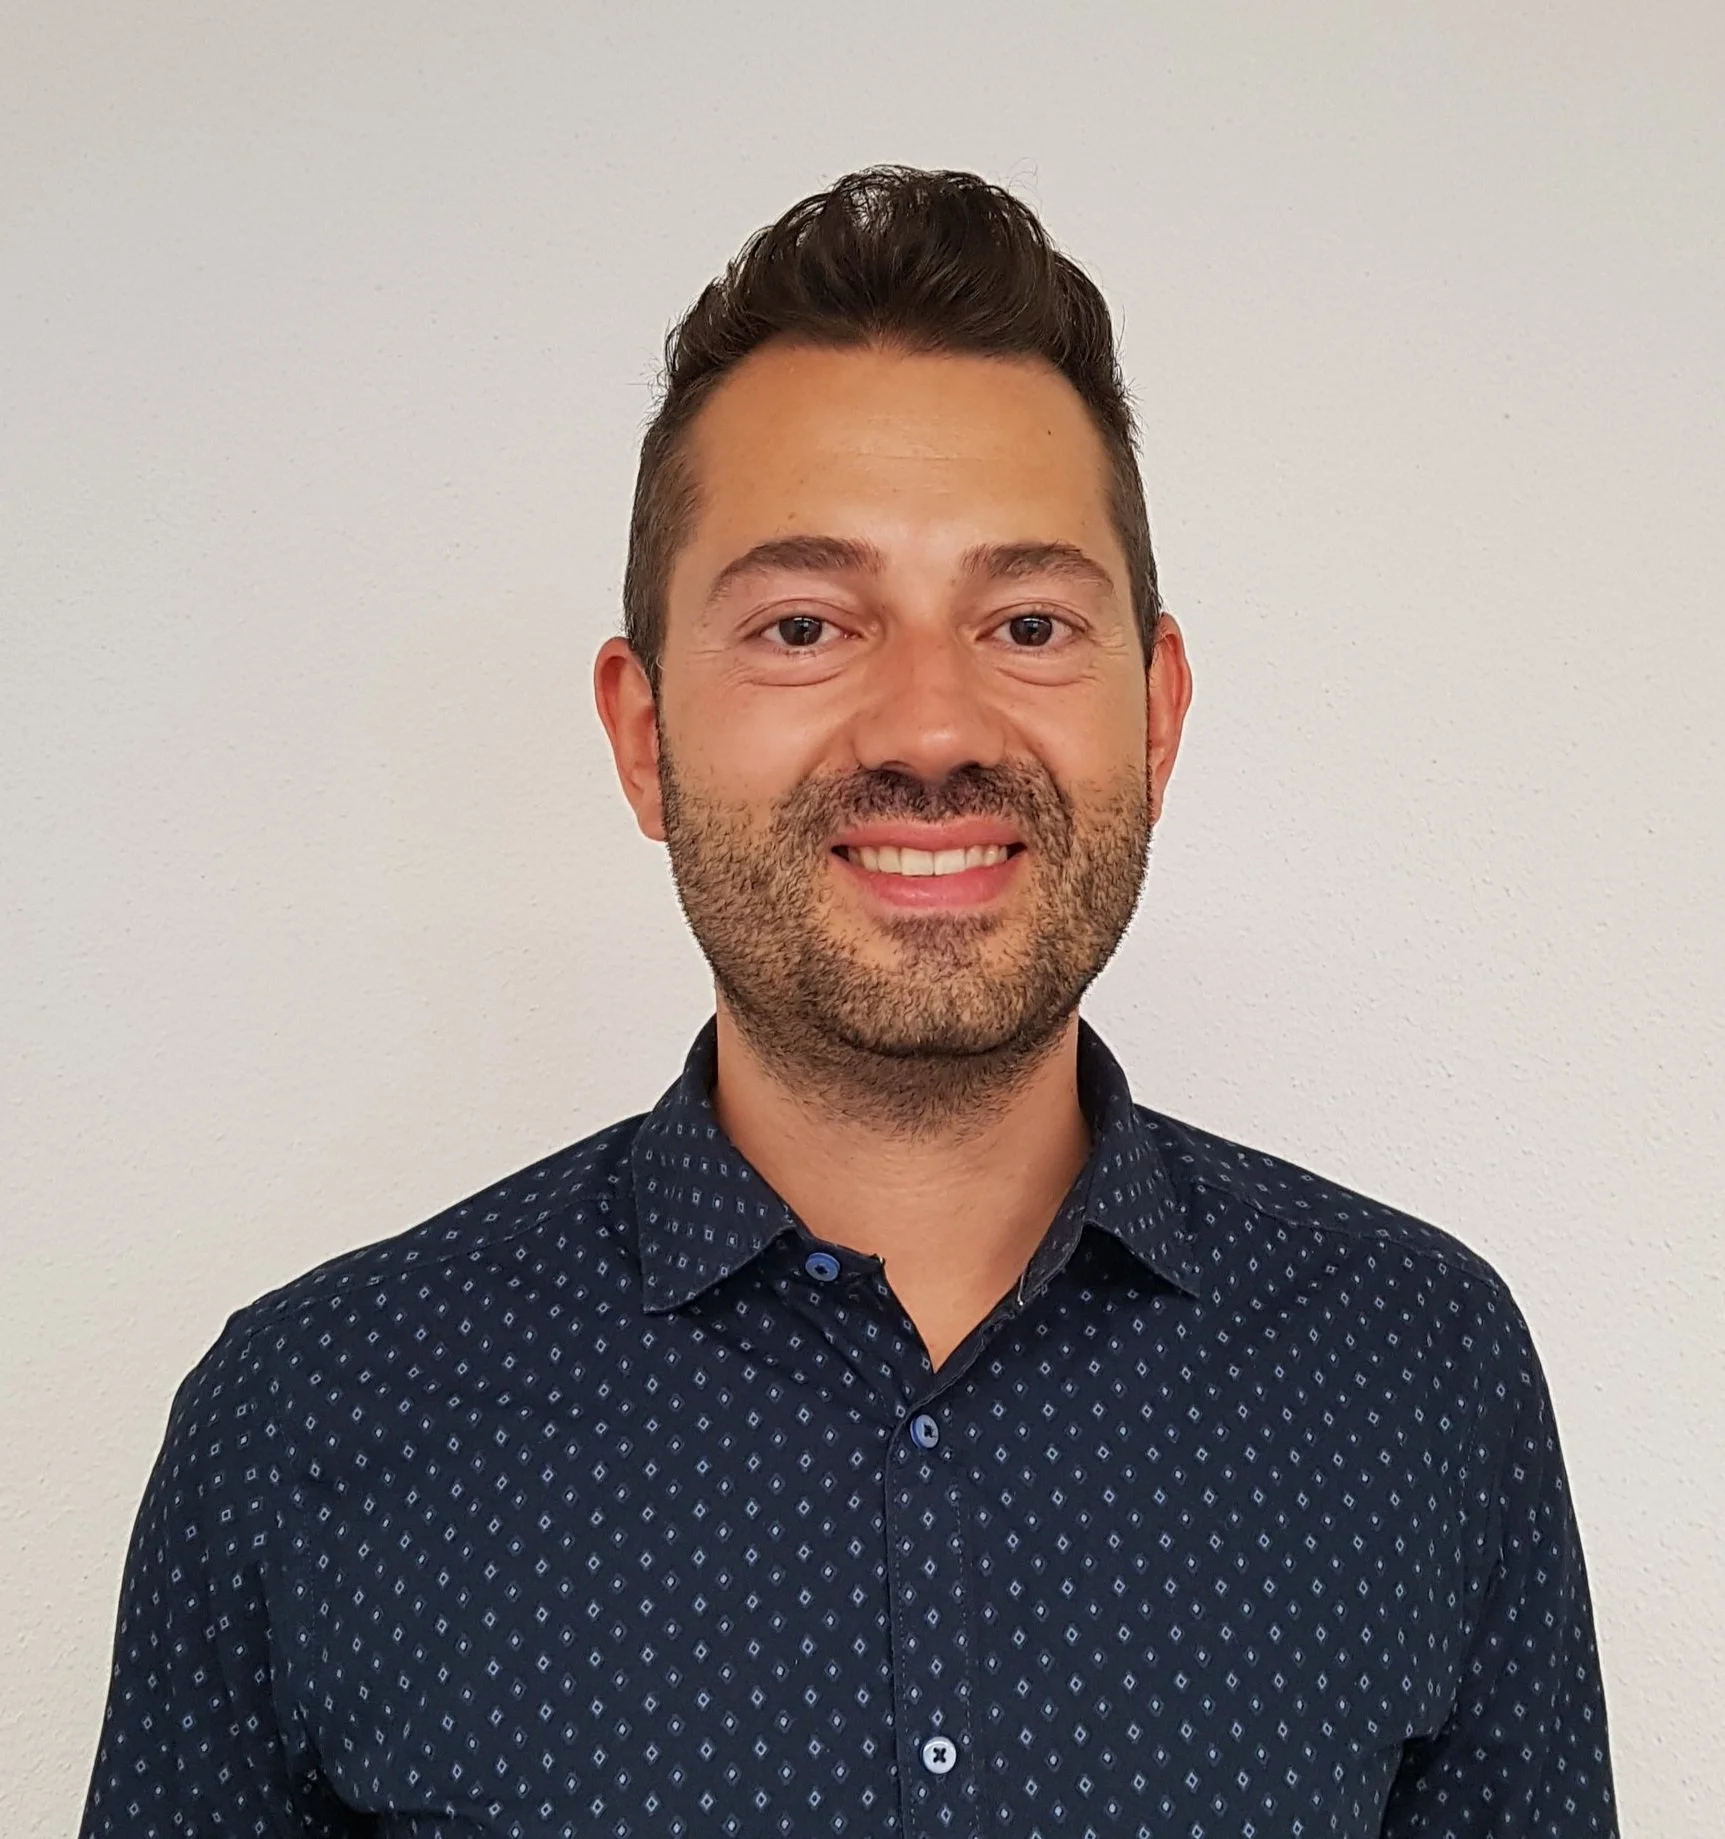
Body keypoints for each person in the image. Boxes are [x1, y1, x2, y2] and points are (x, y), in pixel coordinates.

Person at [79, 167, 1617, 1838]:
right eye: (806, 624)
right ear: (643, 734)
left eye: (1028, 621)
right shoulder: (305, 1422)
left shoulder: (1419, 1373)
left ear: (1157, 715)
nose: (933, 726)